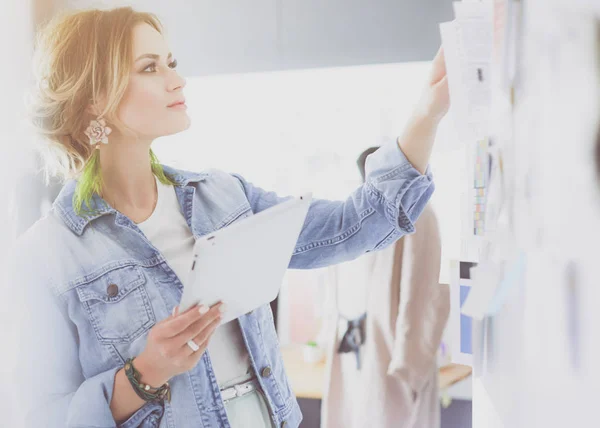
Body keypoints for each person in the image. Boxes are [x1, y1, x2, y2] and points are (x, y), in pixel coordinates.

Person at [6, 6, 449, 428]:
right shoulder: (43, 259)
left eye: (171, 62)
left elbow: (352, 226)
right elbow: (40, 417)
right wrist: (145, 373)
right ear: (93, 101)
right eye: (149, 67)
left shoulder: (223, 197)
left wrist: (429, 111)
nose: (177, 80)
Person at [320, 146, 451, 428]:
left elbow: (428, 294)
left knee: (387, 413)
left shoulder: (419, 215)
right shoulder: (354, 211)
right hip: (359, 350)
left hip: (394, 357)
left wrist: (409, 364)